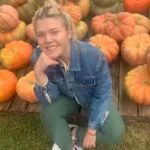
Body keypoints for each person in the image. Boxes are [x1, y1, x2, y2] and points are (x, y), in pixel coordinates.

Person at [31, 1, 125, 150]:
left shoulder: (93, 57)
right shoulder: (39, 57)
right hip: (67, 98)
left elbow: (103, 93)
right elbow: (50, 100)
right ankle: (68, 146)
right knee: (48, 112)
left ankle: (74, 133)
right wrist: (39, 73)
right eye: (41, 34)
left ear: (68, 32)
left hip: (91, 99)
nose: (48, 40)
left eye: (54, 32)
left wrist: (91, 131)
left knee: (116, 133)